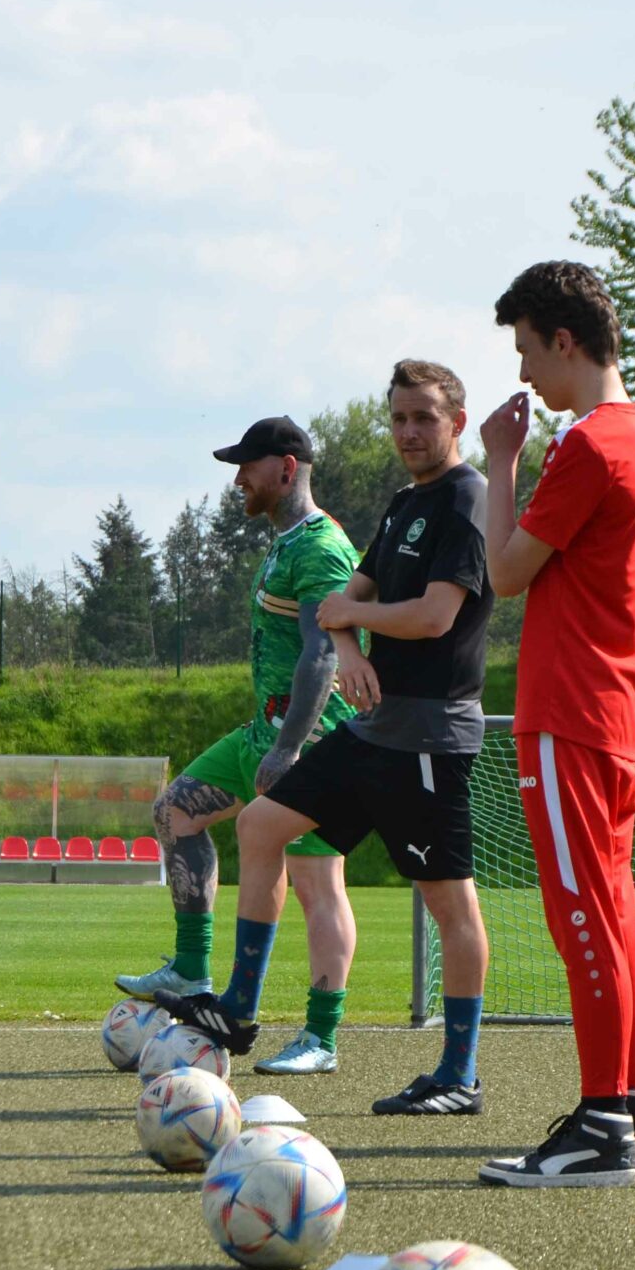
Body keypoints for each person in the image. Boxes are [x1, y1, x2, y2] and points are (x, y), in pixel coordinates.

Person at [160, 362, 497, 1109]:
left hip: (431, 737)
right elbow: (351, 600)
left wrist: (349, 624)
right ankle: (239, 1009)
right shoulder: (407, 503)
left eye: (424, 419)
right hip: (376, 730)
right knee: (259, 823)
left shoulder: (467, 499)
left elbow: (434, 617)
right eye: (400, 418)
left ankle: (458, 1074)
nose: (409, 432)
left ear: (457, 423)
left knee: (451, 907)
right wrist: (346, 642)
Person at [470, 262, 635, 1188]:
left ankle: (601, 1124)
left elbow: (506, 573)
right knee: (612, 911)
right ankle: (634, 1109)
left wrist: (502, 463)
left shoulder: (591, 444)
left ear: (564, 339)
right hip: (618, 710)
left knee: (580, 916)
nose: (523, 377)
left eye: (526, 350)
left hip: (571, 709)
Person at [113, 416, 360, 1075]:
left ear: (286, 467)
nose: (238, 479)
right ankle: (193, 973)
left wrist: (290, 748)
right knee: (175, 811)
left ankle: (320, 1038)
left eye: (247, 467)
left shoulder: (323, 548)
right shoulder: (283, 542)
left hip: (310, 741)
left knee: (317, 881)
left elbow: (322, 655)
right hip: (261, 731)